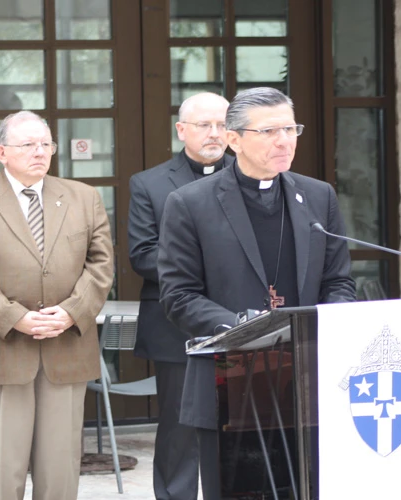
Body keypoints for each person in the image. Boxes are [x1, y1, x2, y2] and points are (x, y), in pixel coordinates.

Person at [157, 87, 356, 499]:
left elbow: (338, 282)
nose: (284, 141)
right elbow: (179, 295)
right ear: (234, 139)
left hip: (307, 381)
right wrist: (245, 328)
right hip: (228, 382)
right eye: (269, 131)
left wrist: (328, 322)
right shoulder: (190, 203)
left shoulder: (318, 196)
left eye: (290, 129)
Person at [0, 111, 114, 500]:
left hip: (65, 348)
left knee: (60, 476)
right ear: (1, 152)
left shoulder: (84, 197)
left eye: (45, 144)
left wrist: (72, 311)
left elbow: (102, 265)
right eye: (27, 145)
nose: (40, 152)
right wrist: (15, 317)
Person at [127, 91, 232, 500]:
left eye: (222, 125)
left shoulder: (249, 177)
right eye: (205, 125)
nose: (215, 133)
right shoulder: (149, 184)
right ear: (181, 130)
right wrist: (207, 271)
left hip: (240, 318)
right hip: (176, 325)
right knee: (180, 426)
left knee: (241, 423)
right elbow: (143, 255)